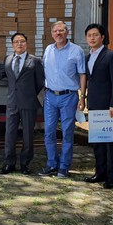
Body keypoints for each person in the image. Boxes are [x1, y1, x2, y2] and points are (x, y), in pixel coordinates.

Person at [0, 33, 45, 175]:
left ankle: (25, 164)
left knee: (28, 135)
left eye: (22, 41)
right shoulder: (8, 59)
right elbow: (0, 74)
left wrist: (28, 93)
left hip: (28, 103)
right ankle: (9, 163)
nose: (19, 44)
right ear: (12, 44)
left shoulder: (35, 61)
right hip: (12, 103)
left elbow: (40, 81)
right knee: (9, 134)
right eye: (16, 42)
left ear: (26, 43)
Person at [38, 21, 86, 178]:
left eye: (62, 30)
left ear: (67, 32)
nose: (58, 33)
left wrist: (82, 97)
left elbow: (82, 74)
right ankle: (51, 164)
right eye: (55, 31)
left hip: (69, 97)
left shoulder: (76, 50)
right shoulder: (48, 49)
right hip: (51, 96)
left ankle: (64, 167)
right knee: (49, 132)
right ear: (52, 34)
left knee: (67, 132)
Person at [82, 23, 113, 189]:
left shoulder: (112, 56)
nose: (92, 38)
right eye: (89, 35)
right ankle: (100, 173)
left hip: (109, 107)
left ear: (102, 37)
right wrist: (84, 99)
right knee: (97, 142)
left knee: (111, 143)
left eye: (95, 35)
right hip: (94, 105)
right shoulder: (87, 57)